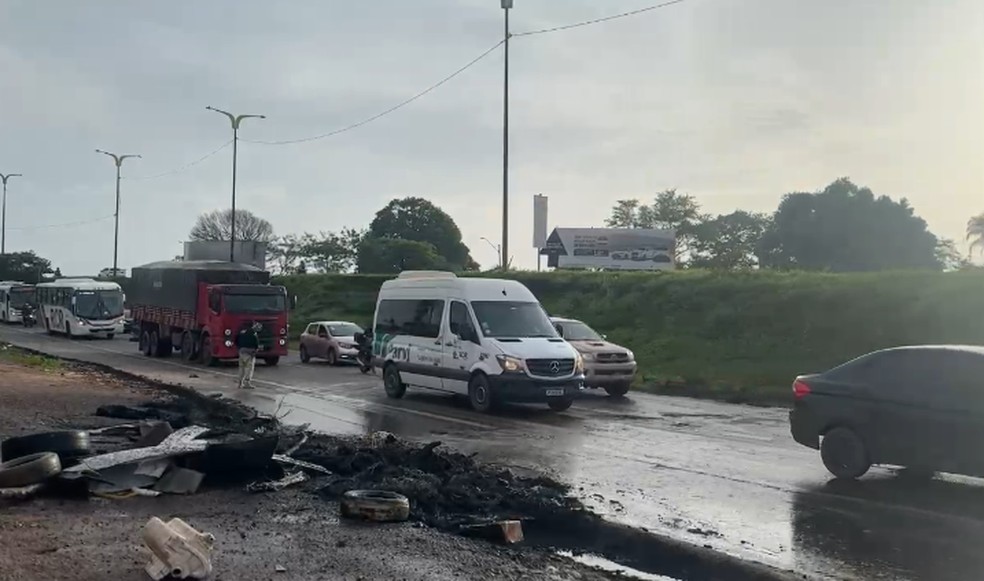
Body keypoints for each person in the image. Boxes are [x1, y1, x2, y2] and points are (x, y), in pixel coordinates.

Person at [235, 322, 262, 389]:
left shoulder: (242, 332)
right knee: (249, 368)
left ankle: (240, 383)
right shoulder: (253, 334)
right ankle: (247, 383)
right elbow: (256, 344)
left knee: (241, 368)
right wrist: (256, 350)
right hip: (249, 353)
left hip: (241, 351)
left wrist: (239, 348)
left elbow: (236, 340)